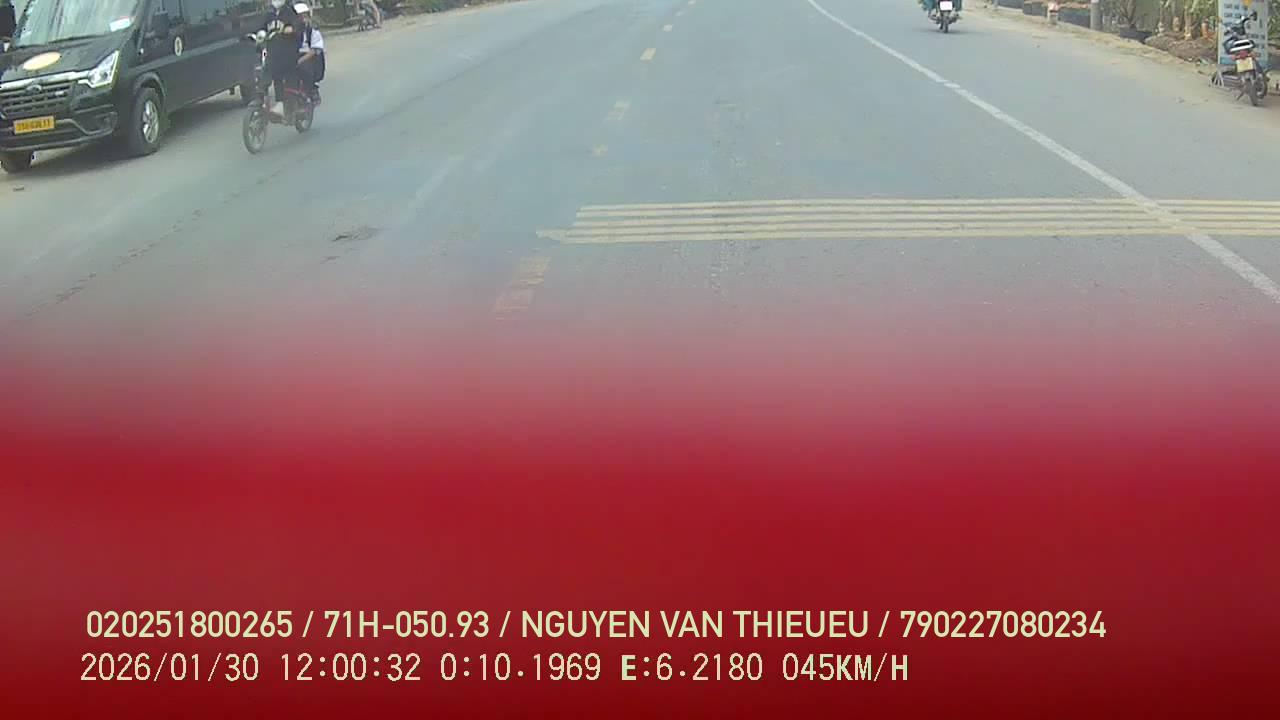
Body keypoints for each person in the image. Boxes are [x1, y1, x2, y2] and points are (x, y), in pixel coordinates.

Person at [254, 0, 304, 116]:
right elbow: (260, 28)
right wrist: (259, 35)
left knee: (281, 75)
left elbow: (299, 26)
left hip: (288, 51)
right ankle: (260, 98)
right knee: (266, 70)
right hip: (273, 50)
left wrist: (291, 29)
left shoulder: (289, 12)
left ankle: (284, 105)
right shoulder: (269, 14)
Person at [294, 4, 325, 104]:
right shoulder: (290, 30)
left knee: (305, 67)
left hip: (308, 56)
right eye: (299, 16)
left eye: (305, 16)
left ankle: (312, 89)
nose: (303, 19)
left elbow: (315, 50)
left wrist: (299, 61)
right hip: (293, 54)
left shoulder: (312, 30)